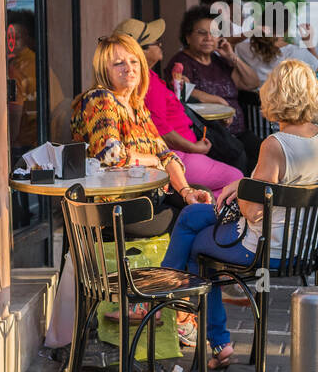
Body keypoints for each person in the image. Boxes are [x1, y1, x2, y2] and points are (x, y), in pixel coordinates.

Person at [161, 60, 318, 367]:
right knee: (192, 217)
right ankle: (172, 299)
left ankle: (195, 323)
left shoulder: (275, 144)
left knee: (195, 244)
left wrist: (242, 191)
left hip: (264, 246)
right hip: (304, 246)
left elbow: (253, 213)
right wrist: (243, 183)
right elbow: (288, 183)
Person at [71, 32, 213, 231]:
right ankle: (181, 262)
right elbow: (111, 155)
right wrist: (151, 160)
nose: (129, 68)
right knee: (187, 218)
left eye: (134, 61)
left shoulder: (136, 105)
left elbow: (165, 154)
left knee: (201, 200)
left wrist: (186, 191)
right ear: (105, 70)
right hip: (111, 207)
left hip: (144, 197)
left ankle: (185, 262)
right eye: (119, 63)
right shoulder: (100, 98)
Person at [115, 16, 243, 193]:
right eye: (156, 42)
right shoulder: (145, 81)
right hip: (178, 155)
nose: (160, 44)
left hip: (181, 153)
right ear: (140, 51)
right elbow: (159, 129)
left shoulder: (147, 77)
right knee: (237, 179)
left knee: (219, 188)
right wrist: (194, 147)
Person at [168, 5, 261, 170]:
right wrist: (219, 101)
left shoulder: (219, 61)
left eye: (214, 33)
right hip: (211, 134)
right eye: (202, 33)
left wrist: (232, 57)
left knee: (263, 152)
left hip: (239, 130)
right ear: (188, 37)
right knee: (242, 158)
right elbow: (182, 92)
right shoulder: (181, 62)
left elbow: (252, 82)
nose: (209, 37)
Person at [232, 8, 318, 87]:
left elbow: (222, 43)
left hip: (248, 103)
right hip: (281, 103)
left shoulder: (242, 48)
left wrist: (253, 31)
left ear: (261, 23)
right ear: (286, 30)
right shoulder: (298, 53)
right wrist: (309, 45)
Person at [6, 11, 38, 153]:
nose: (10, 43)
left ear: (28, 38)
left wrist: (11, 142)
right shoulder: (38, 62)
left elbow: (15, 118)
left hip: (24, 144)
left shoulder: (16, 69)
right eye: (8, 38)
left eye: (15, 38)